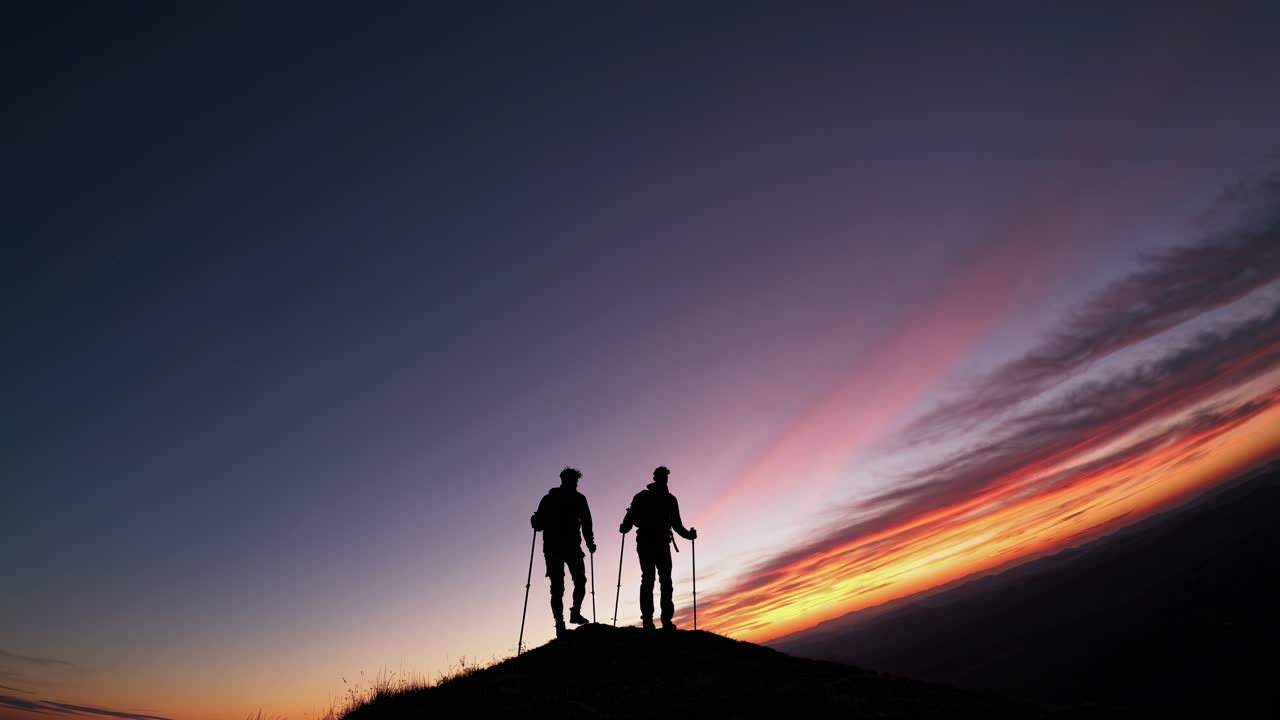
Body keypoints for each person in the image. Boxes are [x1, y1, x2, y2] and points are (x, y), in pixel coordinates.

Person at [619, 465, 697, 630]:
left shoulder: (646, 497)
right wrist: (688, 535)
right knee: (660, 580)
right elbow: (676, 525)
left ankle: (653, 620)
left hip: (650, 542)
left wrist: (625, 527)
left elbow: (631, 518)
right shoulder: (668, 499)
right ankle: (660, 620)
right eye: (662, 476)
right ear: (657, 478)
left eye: (664, 476)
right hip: (657, 543)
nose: (663, 479)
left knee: (652, 580)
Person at [531, 467, 596, 637]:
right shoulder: (551, 499)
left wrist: (590, 542)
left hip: (568, 547)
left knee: (577, 581)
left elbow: (586, 522)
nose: (574, 484)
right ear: (564, 480)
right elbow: (539, 525)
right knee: (559, 586)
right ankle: (560, 623)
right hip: (555, 548)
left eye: (575, 481)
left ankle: (573, 614)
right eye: (572, 481)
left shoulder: (576, 498)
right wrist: (536, 521)